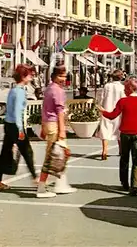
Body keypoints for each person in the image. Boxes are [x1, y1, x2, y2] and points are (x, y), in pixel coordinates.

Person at [99, 78, 137, 196]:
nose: (124, 89)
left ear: (129, 89)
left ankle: (124, 182)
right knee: (136, 160)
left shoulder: (122, 101)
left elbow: (113, 116)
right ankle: (134, 186)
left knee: (124, 158)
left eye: (125, 87)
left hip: (125, 133)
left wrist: (103, 112)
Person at [0, 64, 37, 192]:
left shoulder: (13, 90)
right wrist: (21, 130)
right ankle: (35, 179)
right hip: (15, 126)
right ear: (23, 76)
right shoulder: (20, 92)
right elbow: (18, 112)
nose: (31, 77)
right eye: (29, 75)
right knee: (27, 152)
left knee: (4, 153)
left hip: (8, 124)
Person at [37, 66, 76, 198]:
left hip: (48, 124)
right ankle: (42, 187)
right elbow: (59, 112)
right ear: (54, 76)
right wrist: (62, 130)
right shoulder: (58, 91)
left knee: (60, 154)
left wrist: (43, 128)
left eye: (65, 77)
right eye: (61, 76)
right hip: (54, 125)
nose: (63, 79)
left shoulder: (49, 89)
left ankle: (61, 183)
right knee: (53, 156)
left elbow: (45, 109)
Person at [96, 69, 125, 160]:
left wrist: (100, 107)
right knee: (119, 131)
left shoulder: (107, 86)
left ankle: (104, 150)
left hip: (107, 110)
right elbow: (124, 99)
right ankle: (121, 150)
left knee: (105, 130)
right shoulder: (122, 87)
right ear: (120, 77)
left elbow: (102, 97)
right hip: (118, 112)